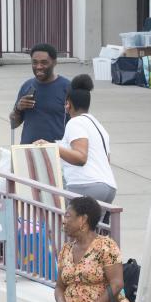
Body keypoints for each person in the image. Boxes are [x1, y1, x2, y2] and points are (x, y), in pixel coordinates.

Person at [34, 74, 116, 205]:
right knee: (94, 226)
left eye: (66, 103)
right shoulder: (98, 126)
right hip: (108, 187)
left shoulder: (75, 122)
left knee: (69, 223)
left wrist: (51, 146)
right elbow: (107, 160)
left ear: (68, 104)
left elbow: (81, 157)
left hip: (85, 185)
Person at [10, 43, 70, 144]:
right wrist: (18, 109)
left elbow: (78, 124)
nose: (39, 67)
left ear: (54, 62)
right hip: (28, 151)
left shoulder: (67, 87)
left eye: (44, 62)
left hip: (56, 153)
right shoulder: (27, 86)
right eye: (35, 62)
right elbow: (13, 124)